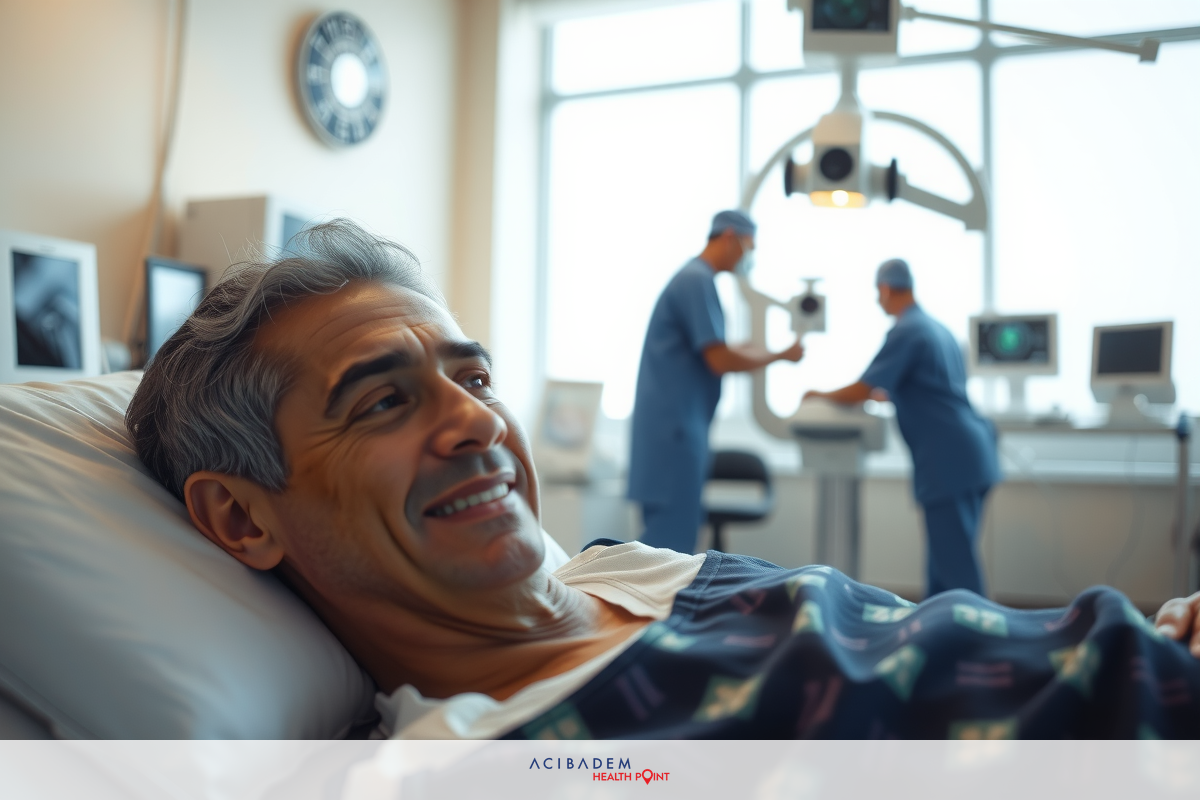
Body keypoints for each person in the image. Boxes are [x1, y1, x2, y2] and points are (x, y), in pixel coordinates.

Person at [127, 220, 1200, 740]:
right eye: (384, 400)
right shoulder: (506, 753)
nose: (478, 420)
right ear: (240, 512)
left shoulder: (630, 569)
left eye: (474, 374)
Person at [805, 259, 1000, 598]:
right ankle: (940, 636)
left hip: (949, 459)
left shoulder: (907, 330)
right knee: (944, 563)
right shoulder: (936, 329)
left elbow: (862, 389)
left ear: (884, 288)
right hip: (974, 451)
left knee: (956, 570)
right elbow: (926, 387)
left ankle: (978, 644)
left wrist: (817, 394)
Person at [627, 210, 803, 554]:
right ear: (729, 238)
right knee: (668, 554)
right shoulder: (697, 280)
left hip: (672, 431)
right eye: (748, 247)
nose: (748, 257)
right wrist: (778, 355)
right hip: (675, 434)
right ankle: (661, 611)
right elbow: (719, 358)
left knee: (666, 547)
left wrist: (753, 350)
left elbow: (708, 349)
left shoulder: (691, 278)